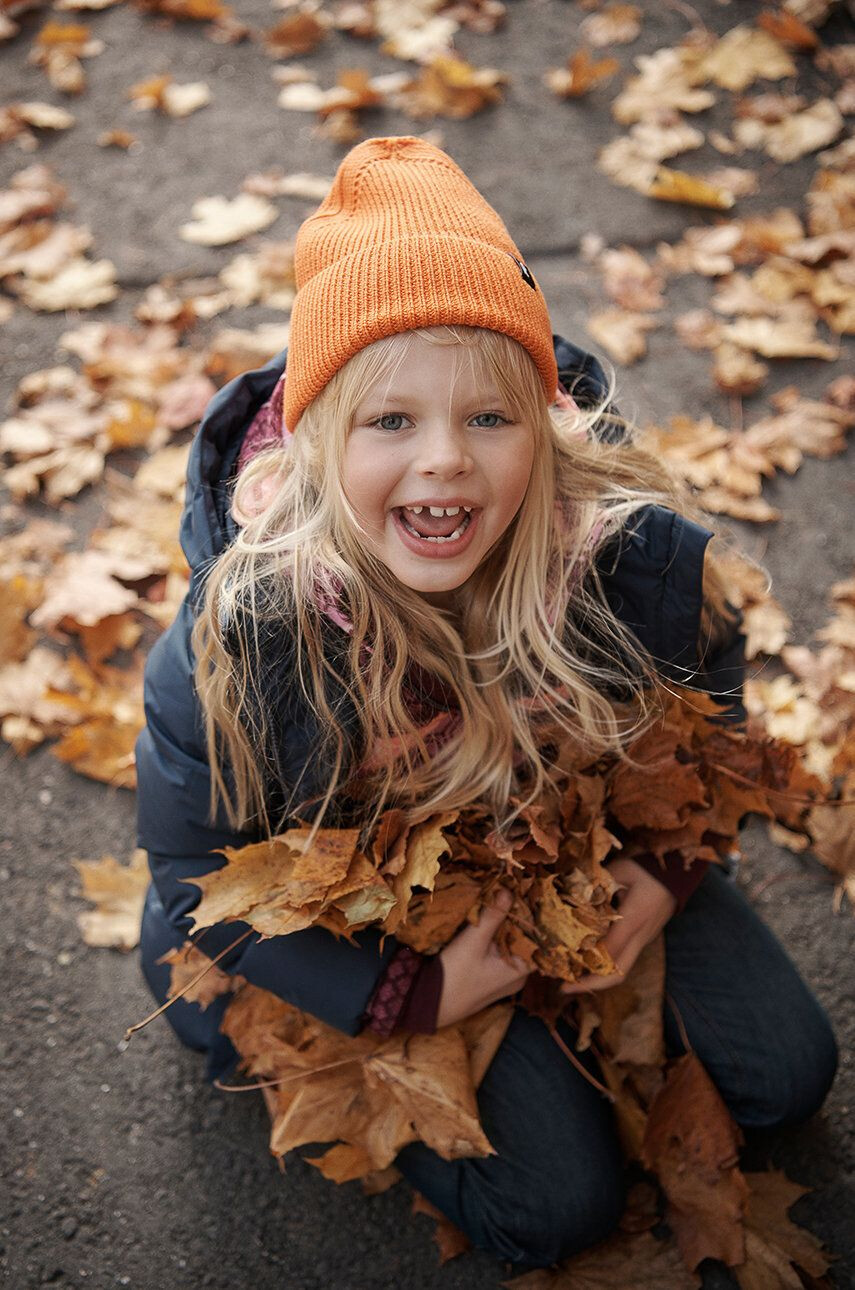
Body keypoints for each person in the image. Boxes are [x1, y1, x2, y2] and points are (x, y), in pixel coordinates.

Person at [135, 136, 838, 1270]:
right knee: (557, 1206)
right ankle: (476, 1079)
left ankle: (588, 1019)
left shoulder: (622, 558)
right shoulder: (246, 635)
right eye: (392, 422)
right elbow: (189, 878)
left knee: (787, 1077)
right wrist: (411, 992)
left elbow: (714, 713)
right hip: (367, 932)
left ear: (543, 434)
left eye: (489, 420)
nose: (446, 462)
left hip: (571, 850)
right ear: (320, 444)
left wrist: (659, 882)